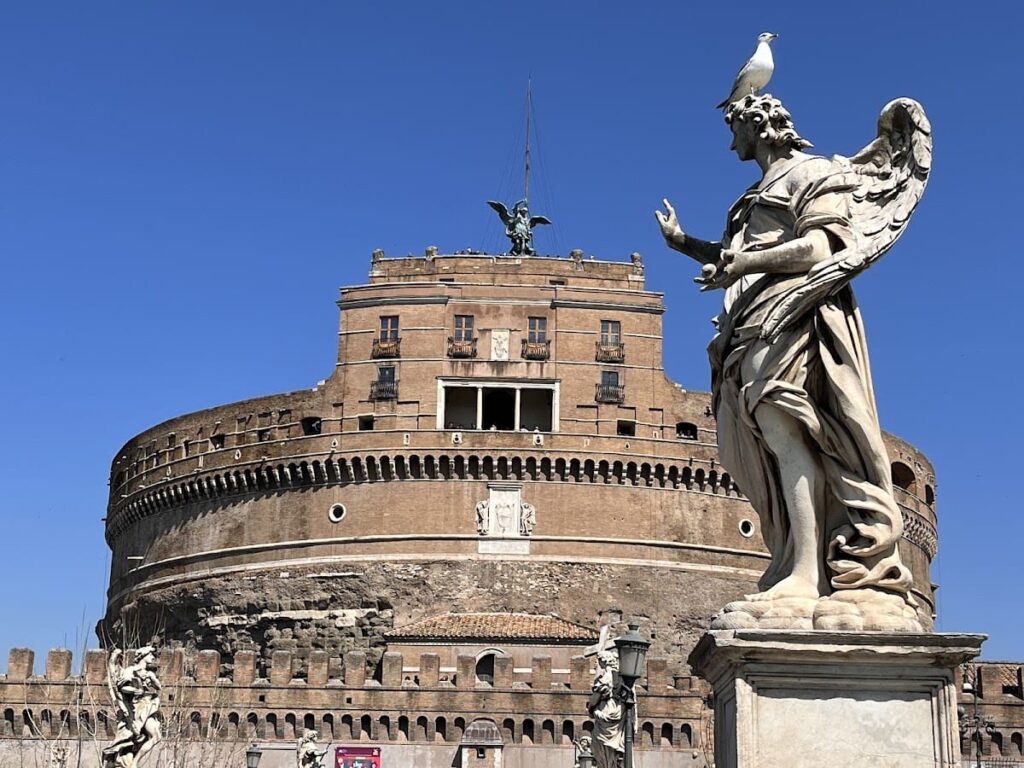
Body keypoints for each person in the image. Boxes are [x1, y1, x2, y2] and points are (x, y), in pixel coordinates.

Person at [655, 94, 921, 610]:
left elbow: (821, 247)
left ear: (758, 126)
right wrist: (684, 243)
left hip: (796, 311)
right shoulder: (756, 191)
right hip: (751, 320)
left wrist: (742, 263)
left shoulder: (813, 172)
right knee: (764, 444)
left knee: (788, 431)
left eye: (735, 128)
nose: (731, 140)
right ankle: (795, 562)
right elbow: (738, 257)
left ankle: (806, 572)